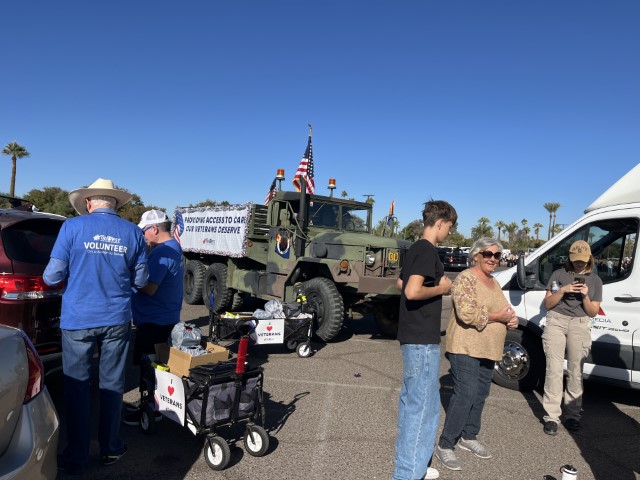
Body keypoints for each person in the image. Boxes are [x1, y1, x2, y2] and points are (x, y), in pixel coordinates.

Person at [43, 178, 148, 474]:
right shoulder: (132, 232)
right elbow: (140, 280)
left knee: (77, 388)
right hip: (116, 318)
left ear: (89, 203)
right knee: (112, 385)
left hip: (78, 319)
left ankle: (75, 457)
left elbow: (53, 276)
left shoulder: (72, 228)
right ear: (115, 203)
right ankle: (111, 449)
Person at [435, 238, 518, 471]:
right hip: (465, 346)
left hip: (488, 348)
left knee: (481, 393)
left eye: (497, 255)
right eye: (488, 254)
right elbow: (466, 313)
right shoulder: (466, 279)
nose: (493, 258)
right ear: (476, 256)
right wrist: (498, 317)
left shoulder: (493, 282)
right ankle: (445, 444)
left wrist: (511, 319)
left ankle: (469, 436)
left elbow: (504, 310)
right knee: (466, 393)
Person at [392, 199, 458, 480]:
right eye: (450, 227)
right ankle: (407, 473)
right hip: (421, 340)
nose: (449, 233)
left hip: (415, 337)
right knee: (421, 409)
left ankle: (414, 465)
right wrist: (442, 289)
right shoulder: (426, 250)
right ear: (440, 222)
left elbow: (400, 283)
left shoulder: (415, 250)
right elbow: (411, 292)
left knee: (418, 405)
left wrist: (421, 286)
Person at [123, 209, 184, 425]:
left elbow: (149, 288)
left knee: (148, 368)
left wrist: (128, 277)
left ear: (154, 229)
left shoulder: (161, 253)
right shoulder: (173, 247)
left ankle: (148, 410)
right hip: (165, 317)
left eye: (144, 231)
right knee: (158, 365)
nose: (143, 236)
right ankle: (156, 406)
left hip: (153, 319)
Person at [541, 240, 602, 435]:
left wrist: (584, 296)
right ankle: (551, 416)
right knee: (554, 369)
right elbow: (548, 304)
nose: (579, 263)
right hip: (556, 321)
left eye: (583, 260)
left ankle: (573, 414)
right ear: (569, 257)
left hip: (580, 323)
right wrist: (563, 290)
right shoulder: (558, 275)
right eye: (575, 259)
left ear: (589, 258)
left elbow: (593, 312)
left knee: (576, 370)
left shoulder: (595, 281)